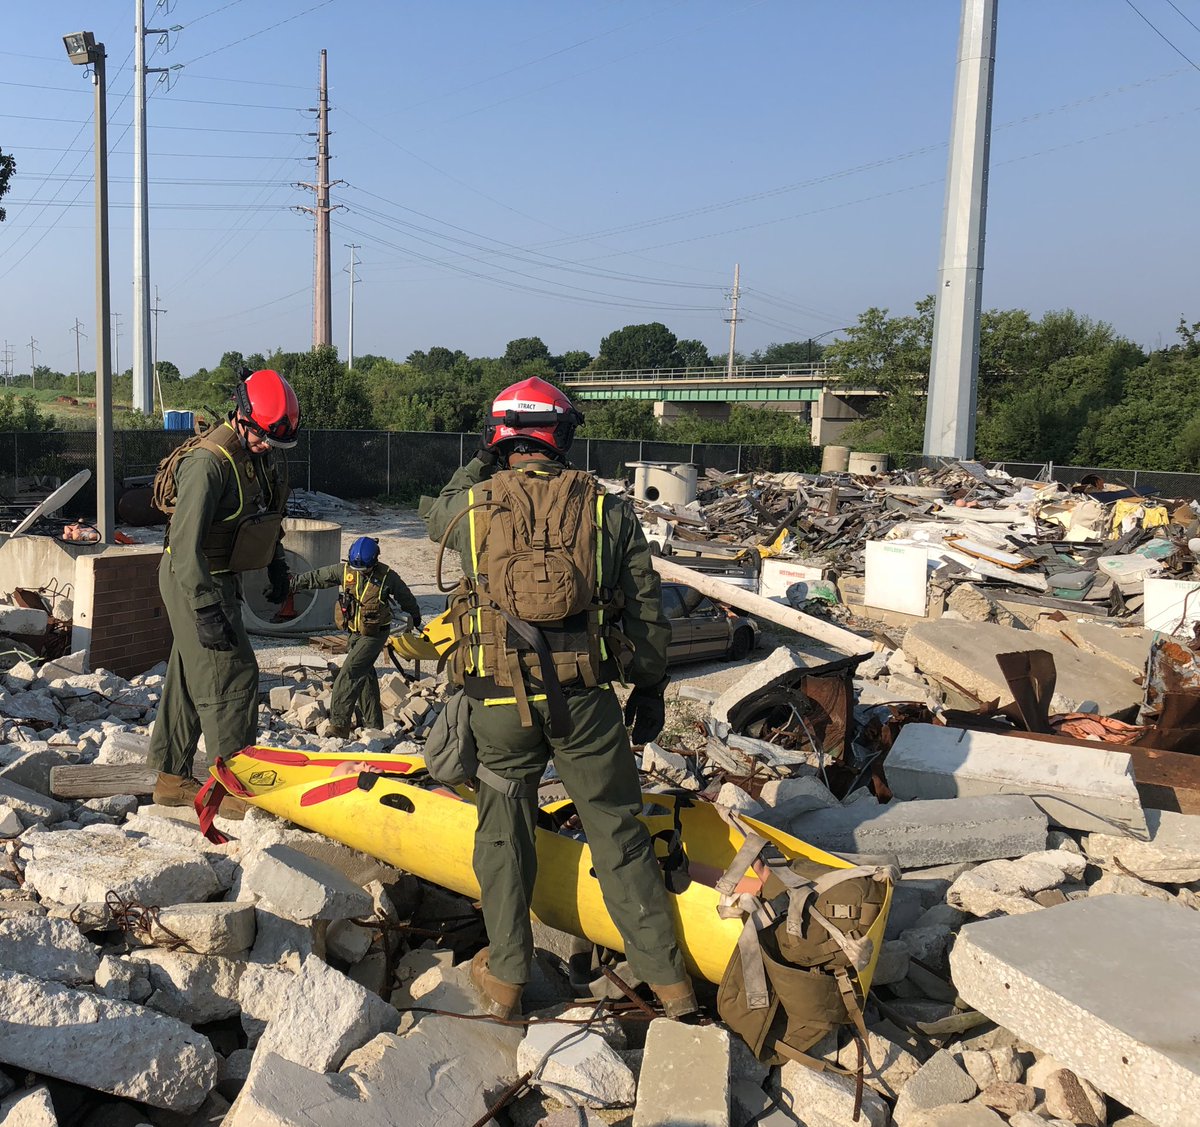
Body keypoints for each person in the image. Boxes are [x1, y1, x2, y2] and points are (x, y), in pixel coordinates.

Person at [421, 376, 696, 1021]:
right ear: (562, 436)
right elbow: (647, 614)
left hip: (497, 701)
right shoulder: (608, 511)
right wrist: (649, 688)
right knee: (618, 832)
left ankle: (509, 979)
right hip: (585, 701)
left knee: (502, 831)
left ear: (499, 439)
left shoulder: (472, 507)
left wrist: (482, 457)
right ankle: (670, 983)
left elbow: (434, 511)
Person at [148, 369, 299, 811]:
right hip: (193, 576)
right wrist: (205, 609)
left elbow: (265, 514)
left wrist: (278, 566)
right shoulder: (208, 464)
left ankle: (171, 778)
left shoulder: (257, 456)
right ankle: (235, 788)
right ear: (241, 415)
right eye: (263, 436)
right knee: (232, 674)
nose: (268, 445)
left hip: (218, 575)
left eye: (275, 440)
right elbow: (184, 548)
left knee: (191, 673)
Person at [291, 536, 422, 738]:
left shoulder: (387, 576)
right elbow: (318, 577)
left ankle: (339, 726)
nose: (361, 573)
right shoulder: (345, 571)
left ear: (374, 562)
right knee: (365, 676)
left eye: (365, 570)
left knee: (349, 673)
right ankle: (374, 726)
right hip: (354, 634)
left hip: (375, 635)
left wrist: (415, 615)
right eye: (357, 568)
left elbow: (405, 596)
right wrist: (291, 584)